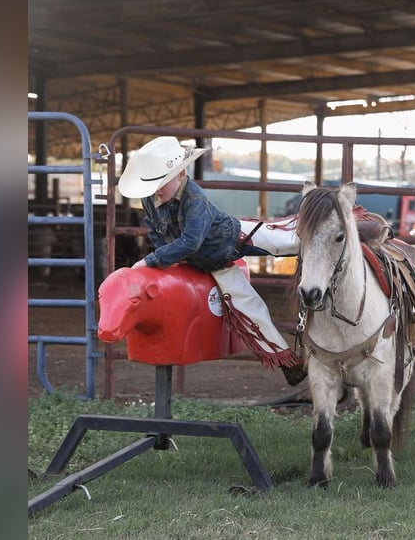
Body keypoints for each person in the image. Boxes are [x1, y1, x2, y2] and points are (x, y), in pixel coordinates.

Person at [117, 136, 306, 385]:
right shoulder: (151, 198)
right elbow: (154, 230)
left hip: (233, 237)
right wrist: (168, 258)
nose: (158, 189)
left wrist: (153, 260)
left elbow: (190, 241)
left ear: (181, 174)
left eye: (162, 182)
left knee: (289, 238)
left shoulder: (195, 199)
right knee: (247, 309)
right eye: (153, 184)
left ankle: (344, 231)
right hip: (212, 262)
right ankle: (287, 363)